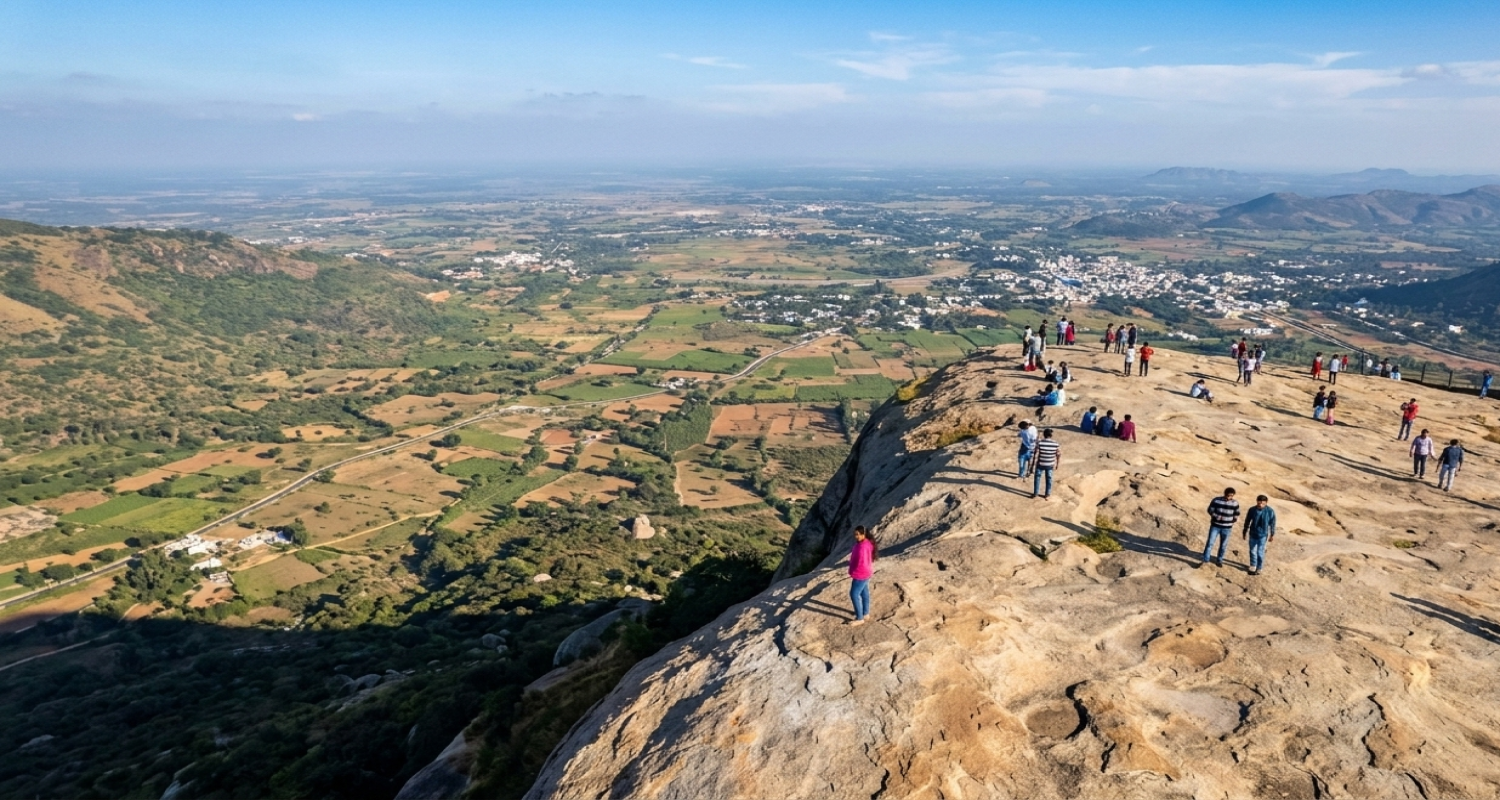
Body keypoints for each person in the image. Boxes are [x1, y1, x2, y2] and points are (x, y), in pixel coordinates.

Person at [1198, 487, 1241, 568]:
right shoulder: (1216, 500)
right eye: (1228, 495)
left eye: (1231, 496)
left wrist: (1234, 519)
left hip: (1227, 528)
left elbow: (1237, 512)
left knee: (1223, 545)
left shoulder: (1235, 503)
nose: (1229, 497)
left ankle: (1219, 560)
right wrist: (1216, 516)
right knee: (1210, 543)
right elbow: (1210, 510)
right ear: (1225, 494)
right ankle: (1206, 559)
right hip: (1215, 526)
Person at [1241, 495, 1277, 576]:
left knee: (1260, 552)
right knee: (1252, 551)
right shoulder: (1252, 510)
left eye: (1263, 503)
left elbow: (1273, 523)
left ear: (1266, 503)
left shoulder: (1270, 511)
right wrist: (1244, 531)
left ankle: (1259, 567)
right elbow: (1247, 521)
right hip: (1253, 533)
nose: (1261, 505)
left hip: (1263, 535)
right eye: (1259, 503)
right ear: (1257, 501)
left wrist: (1272, 534)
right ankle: (1253, 565)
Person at [847, 526, 876, 626]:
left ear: (863, 534)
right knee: (864, 593)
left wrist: (854, 571)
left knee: (854, 594)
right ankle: (865, 613)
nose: (856, 536)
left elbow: (861, 562)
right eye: (855, 534)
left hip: (861, 573)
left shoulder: (862, 547)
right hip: (867, 572)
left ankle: (860, 618)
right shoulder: (867, 543)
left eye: (857, 535)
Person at [1031, 428, 1060, 499]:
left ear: (1044, 435)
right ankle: (1047, 494)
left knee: (1037, 478)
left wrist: (1033, 464)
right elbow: (1058, 454)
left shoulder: (1040, 443)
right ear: (1051, 435)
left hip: (1040, 463)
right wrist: (1057, 464)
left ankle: (1035, 493)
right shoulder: (1056, 444)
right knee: (1049, 479)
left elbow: (1035, 453)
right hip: (1050, 464)